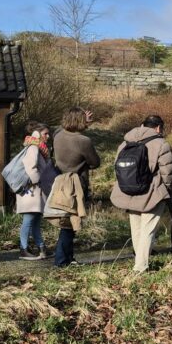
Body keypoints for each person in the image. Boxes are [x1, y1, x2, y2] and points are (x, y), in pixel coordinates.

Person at [110, 115, 172, 273]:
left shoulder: (125, 143)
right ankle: (140, 266)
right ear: (158, 128)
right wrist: (166, 189)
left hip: (129, 190)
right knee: (148, 230)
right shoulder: (161, 144)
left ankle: (139, 261)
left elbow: (117, 167)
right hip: (152, 193)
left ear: (141, 125)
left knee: (137, 228)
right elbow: (168, 172)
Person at [52, 106, 101, 267]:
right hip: (77, 184)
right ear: (80, 122)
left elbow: (62, 128)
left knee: (65, 221)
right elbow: (95, 162)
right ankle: (62, 261)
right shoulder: (83, 141)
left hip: (60, 182)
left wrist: (82, 121)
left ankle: (68, 258)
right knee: (70, 224)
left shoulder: (57, 136)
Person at [16, 121, 51, 260]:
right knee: (29, 219)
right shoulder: (33, 148)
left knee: (35, 220)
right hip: (31, 191)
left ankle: (41, 248)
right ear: (37, 134)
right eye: (45, 133)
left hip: (35, 191)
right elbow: (30, 166)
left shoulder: (38, 148)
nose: (48, 136)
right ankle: (23, 249)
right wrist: (39, 181)